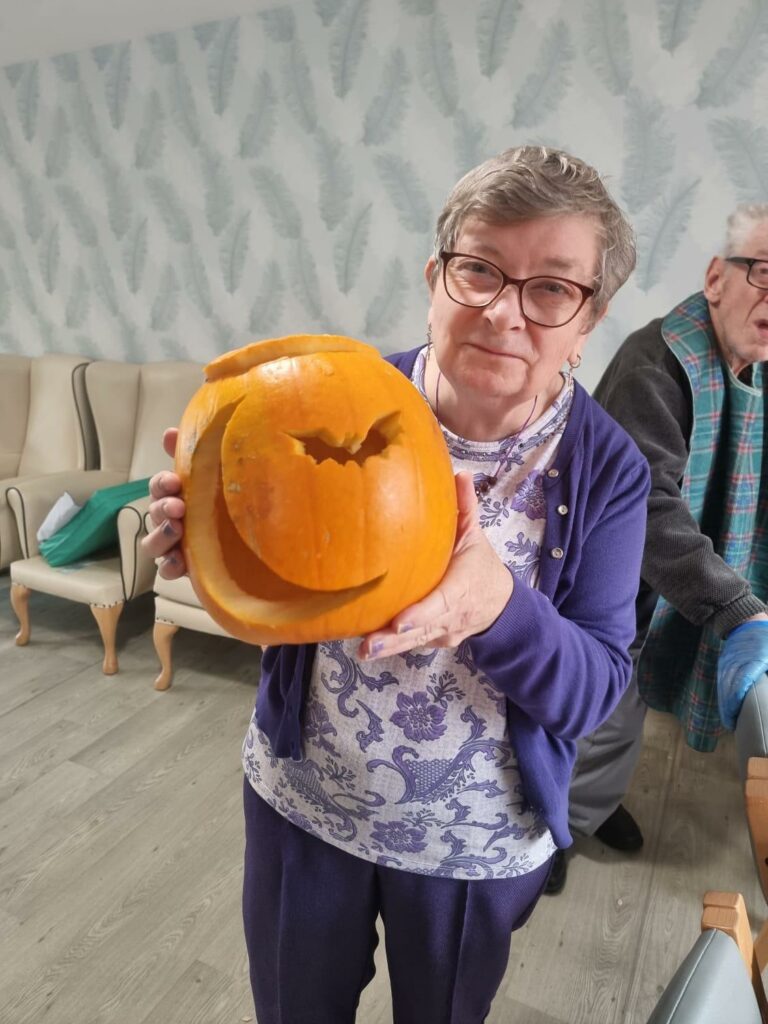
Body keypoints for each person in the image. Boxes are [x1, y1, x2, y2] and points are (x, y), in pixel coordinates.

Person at [142, 145, 650, 1023]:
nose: (503, 312)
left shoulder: (609, 468)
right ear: (435, 277)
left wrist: (498, 606)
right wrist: (210, 544)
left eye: (550, 289)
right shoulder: (323, 397)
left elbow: (595, 690)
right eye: (479, 269)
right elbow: (274, 604)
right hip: (305, 808)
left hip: (474, 846)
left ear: (589, 318)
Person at [558, 203, 768, 895]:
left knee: (627, 719)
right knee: (592, 718)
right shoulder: (654, 365)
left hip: (666, 592)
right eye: (764, 274)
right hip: (605, 583)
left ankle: (588, 807)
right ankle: (552, 829)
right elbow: (646, 506)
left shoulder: (755, 365)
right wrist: (735, 605)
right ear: (716, 278)